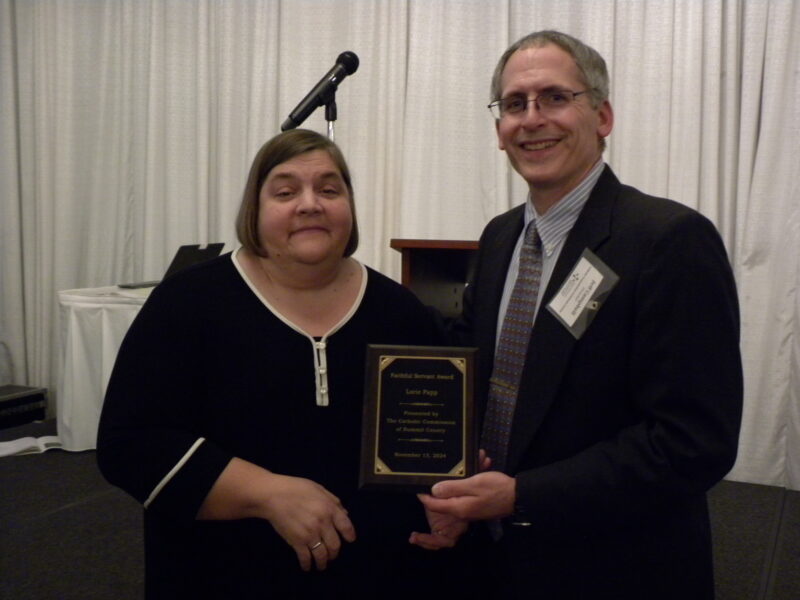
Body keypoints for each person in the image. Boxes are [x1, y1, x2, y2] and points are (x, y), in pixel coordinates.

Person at [413, 30, 743, 599]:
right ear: (499, 131)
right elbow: (476, 375)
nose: (532, 118)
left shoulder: (669, 240)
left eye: (554, 98)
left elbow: (694, 442)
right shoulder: (498, 239)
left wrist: (522, 495)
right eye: (515, 104)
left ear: (603, 116)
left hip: (617, 568)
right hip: (492, 560)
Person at [97, 129, 465, 598]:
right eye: (286, 191)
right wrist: (267, 493)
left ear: (350, 208)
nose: (310, 204)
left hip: (375, 573)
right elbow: (129, 444)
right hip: (223, 573)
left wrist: (446, 492)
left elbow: (429, 442)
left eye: (329, 189)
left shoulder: (400, 312)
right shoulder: (187, 304)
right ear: (255, 209)